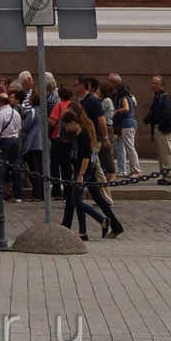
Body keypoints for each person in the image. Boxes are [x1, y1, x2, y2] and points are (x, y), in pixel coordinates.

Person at [57, 102, 123, 239]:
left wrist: (80, 172)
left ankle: (102, 221)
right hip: (82, 165)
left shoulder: (82, 130)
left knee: (76, 198)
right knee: (87, 197)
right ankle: (84, 230)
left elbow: (86, 151)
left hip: (85, 165)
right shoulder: (80, 128)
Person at [0, 88, 23, 202]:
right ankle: (18, 195)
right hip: (15, 140)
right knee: (15, 167)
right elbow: (19, 129)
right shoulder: (16, 113)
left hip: (4, 140)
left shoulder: (1, 114)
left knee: (1, 167)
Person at [145, 75, 171, 183]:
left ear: (162, 85)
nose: (152, 85)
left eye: (155, 83)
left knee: (165, 153)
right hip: (158, 128)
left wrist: (161, 125)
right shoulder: (157, 97)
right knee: (160, 154)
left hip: (163, 129)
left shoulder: (165, 97)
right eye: (152, 83)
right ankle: (164, 175)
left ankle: (169, 177)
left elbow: (167, 114)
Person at [108, 74, 140, 179]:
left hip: (127, 124)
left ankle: (136, 170)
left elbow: (126, 108)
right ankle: (133, 170)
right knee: (128, 147)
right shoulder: (129, 97)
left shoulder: (124, 98)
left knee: (130, 148)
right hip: (129, 124)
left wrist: (117, 111)